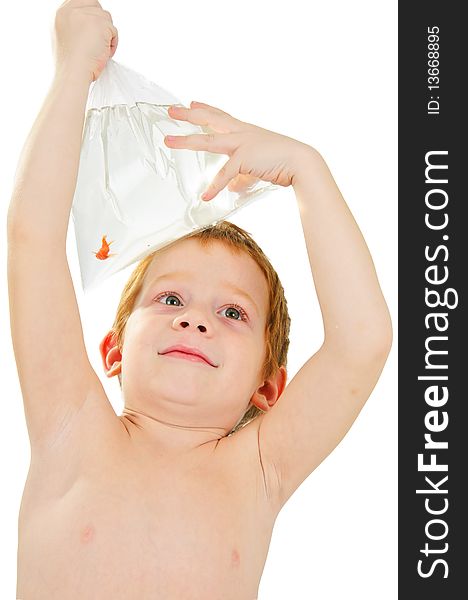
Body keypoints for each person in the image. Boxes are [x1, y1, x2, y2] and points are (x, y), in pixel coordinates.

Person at [7, 1, 392, 598]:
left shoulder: (260, 467)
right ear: (112, 349)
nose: (194, 318)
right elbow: (32, 237)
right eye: (168, 299)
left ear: (267, 387)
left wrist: (306, 169)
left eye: (232, 312)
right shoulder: (71, 425)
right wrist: (71, 73)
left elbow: (362, 343)